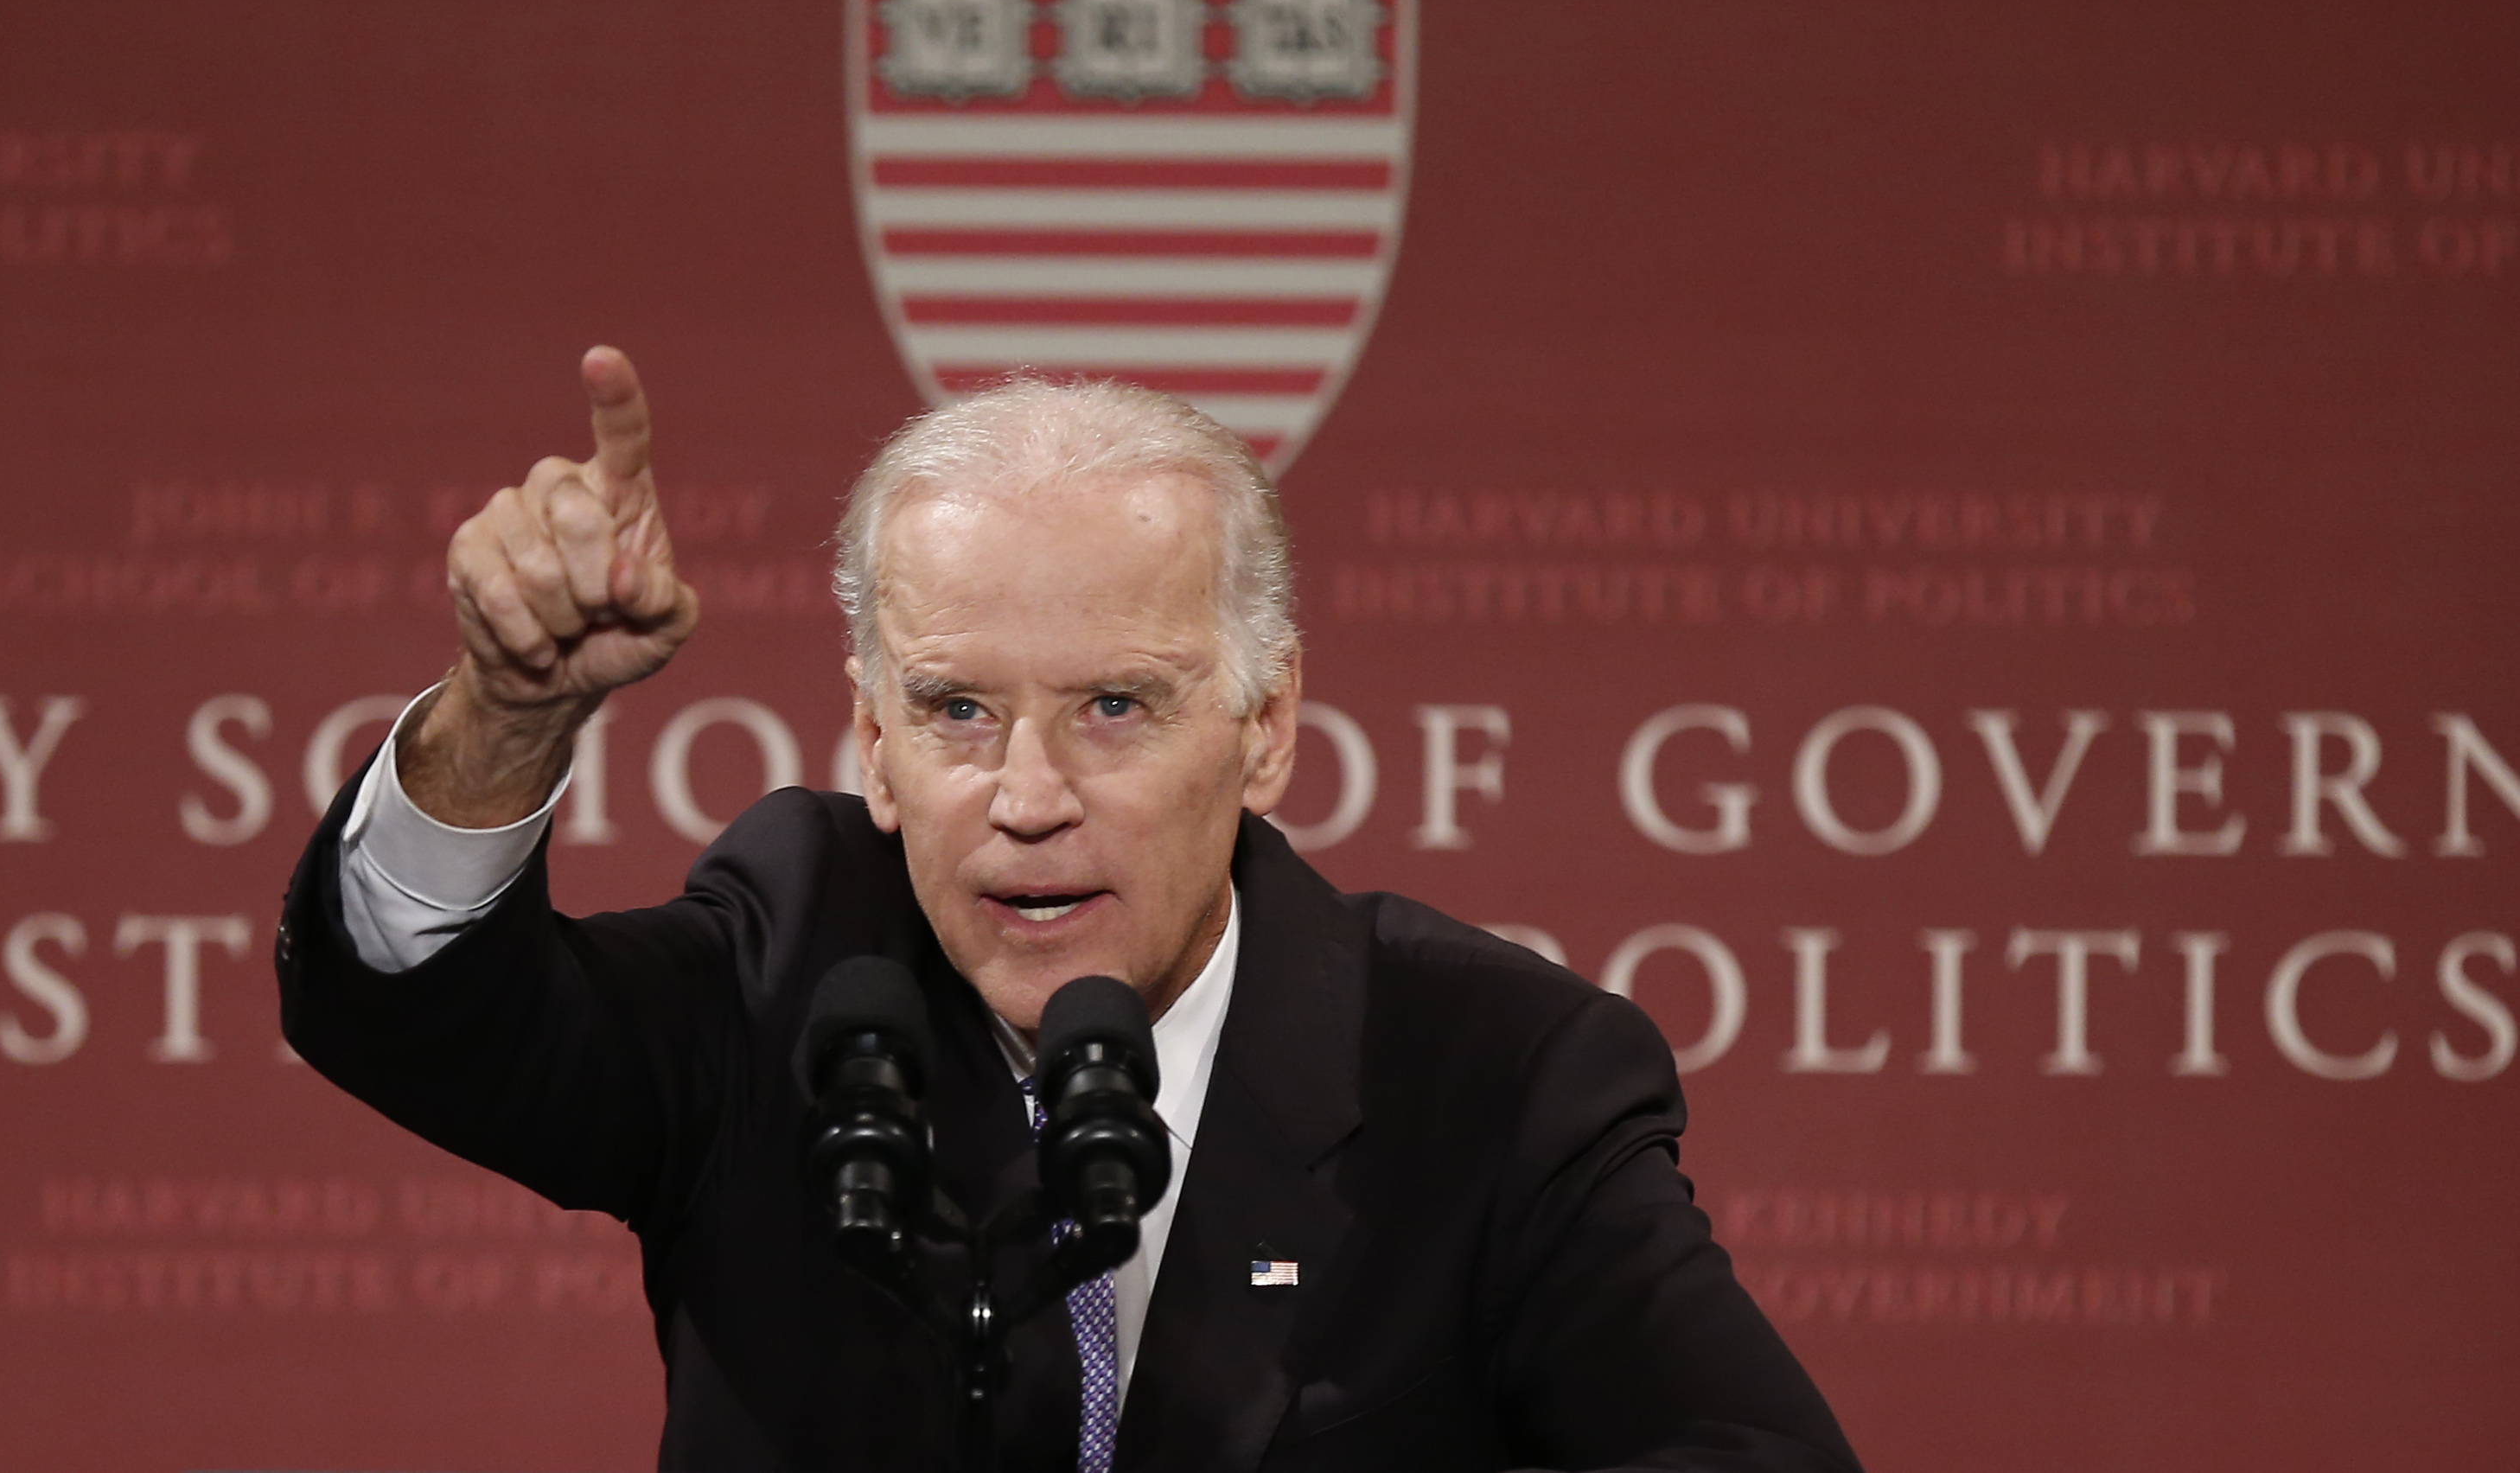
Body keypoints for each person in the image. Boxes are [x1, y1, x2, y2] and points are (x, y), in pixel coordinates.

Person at [277, 346, 1861, 1473]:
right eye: (956, 709)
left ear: (1264, 728)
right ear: (870, 745)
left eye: (1114, 705)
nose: (1025, 794)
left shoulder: (1493, 1071)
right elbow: (414, 1005)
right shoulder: (797, 971)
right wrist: (508, 713)